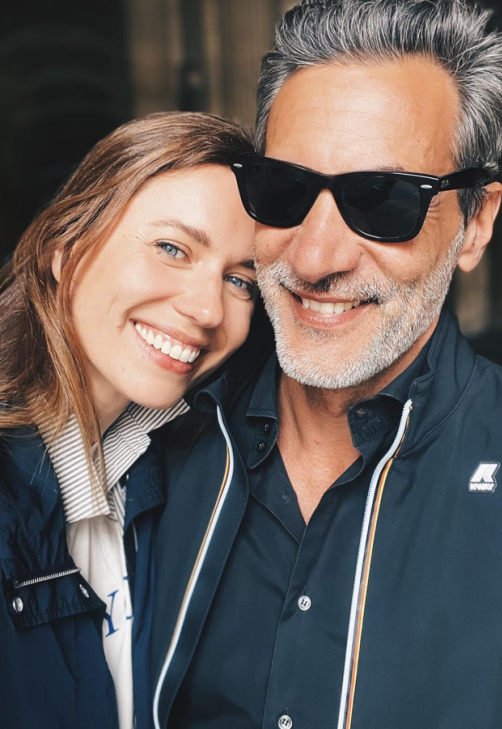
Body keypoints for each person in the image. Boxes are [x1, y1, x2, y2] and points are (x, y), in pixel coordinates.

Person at [152, 2, 502, 728]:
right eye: (284, 191)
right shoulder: (151, 445)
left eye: (382, 201)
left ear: (476, 222)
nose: (315, 259)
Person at [0, 112, 258, 729]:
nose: (205, 308)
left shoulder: (153, 477)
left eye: (240, 280)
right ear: (65, 251)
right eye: (172, 248)